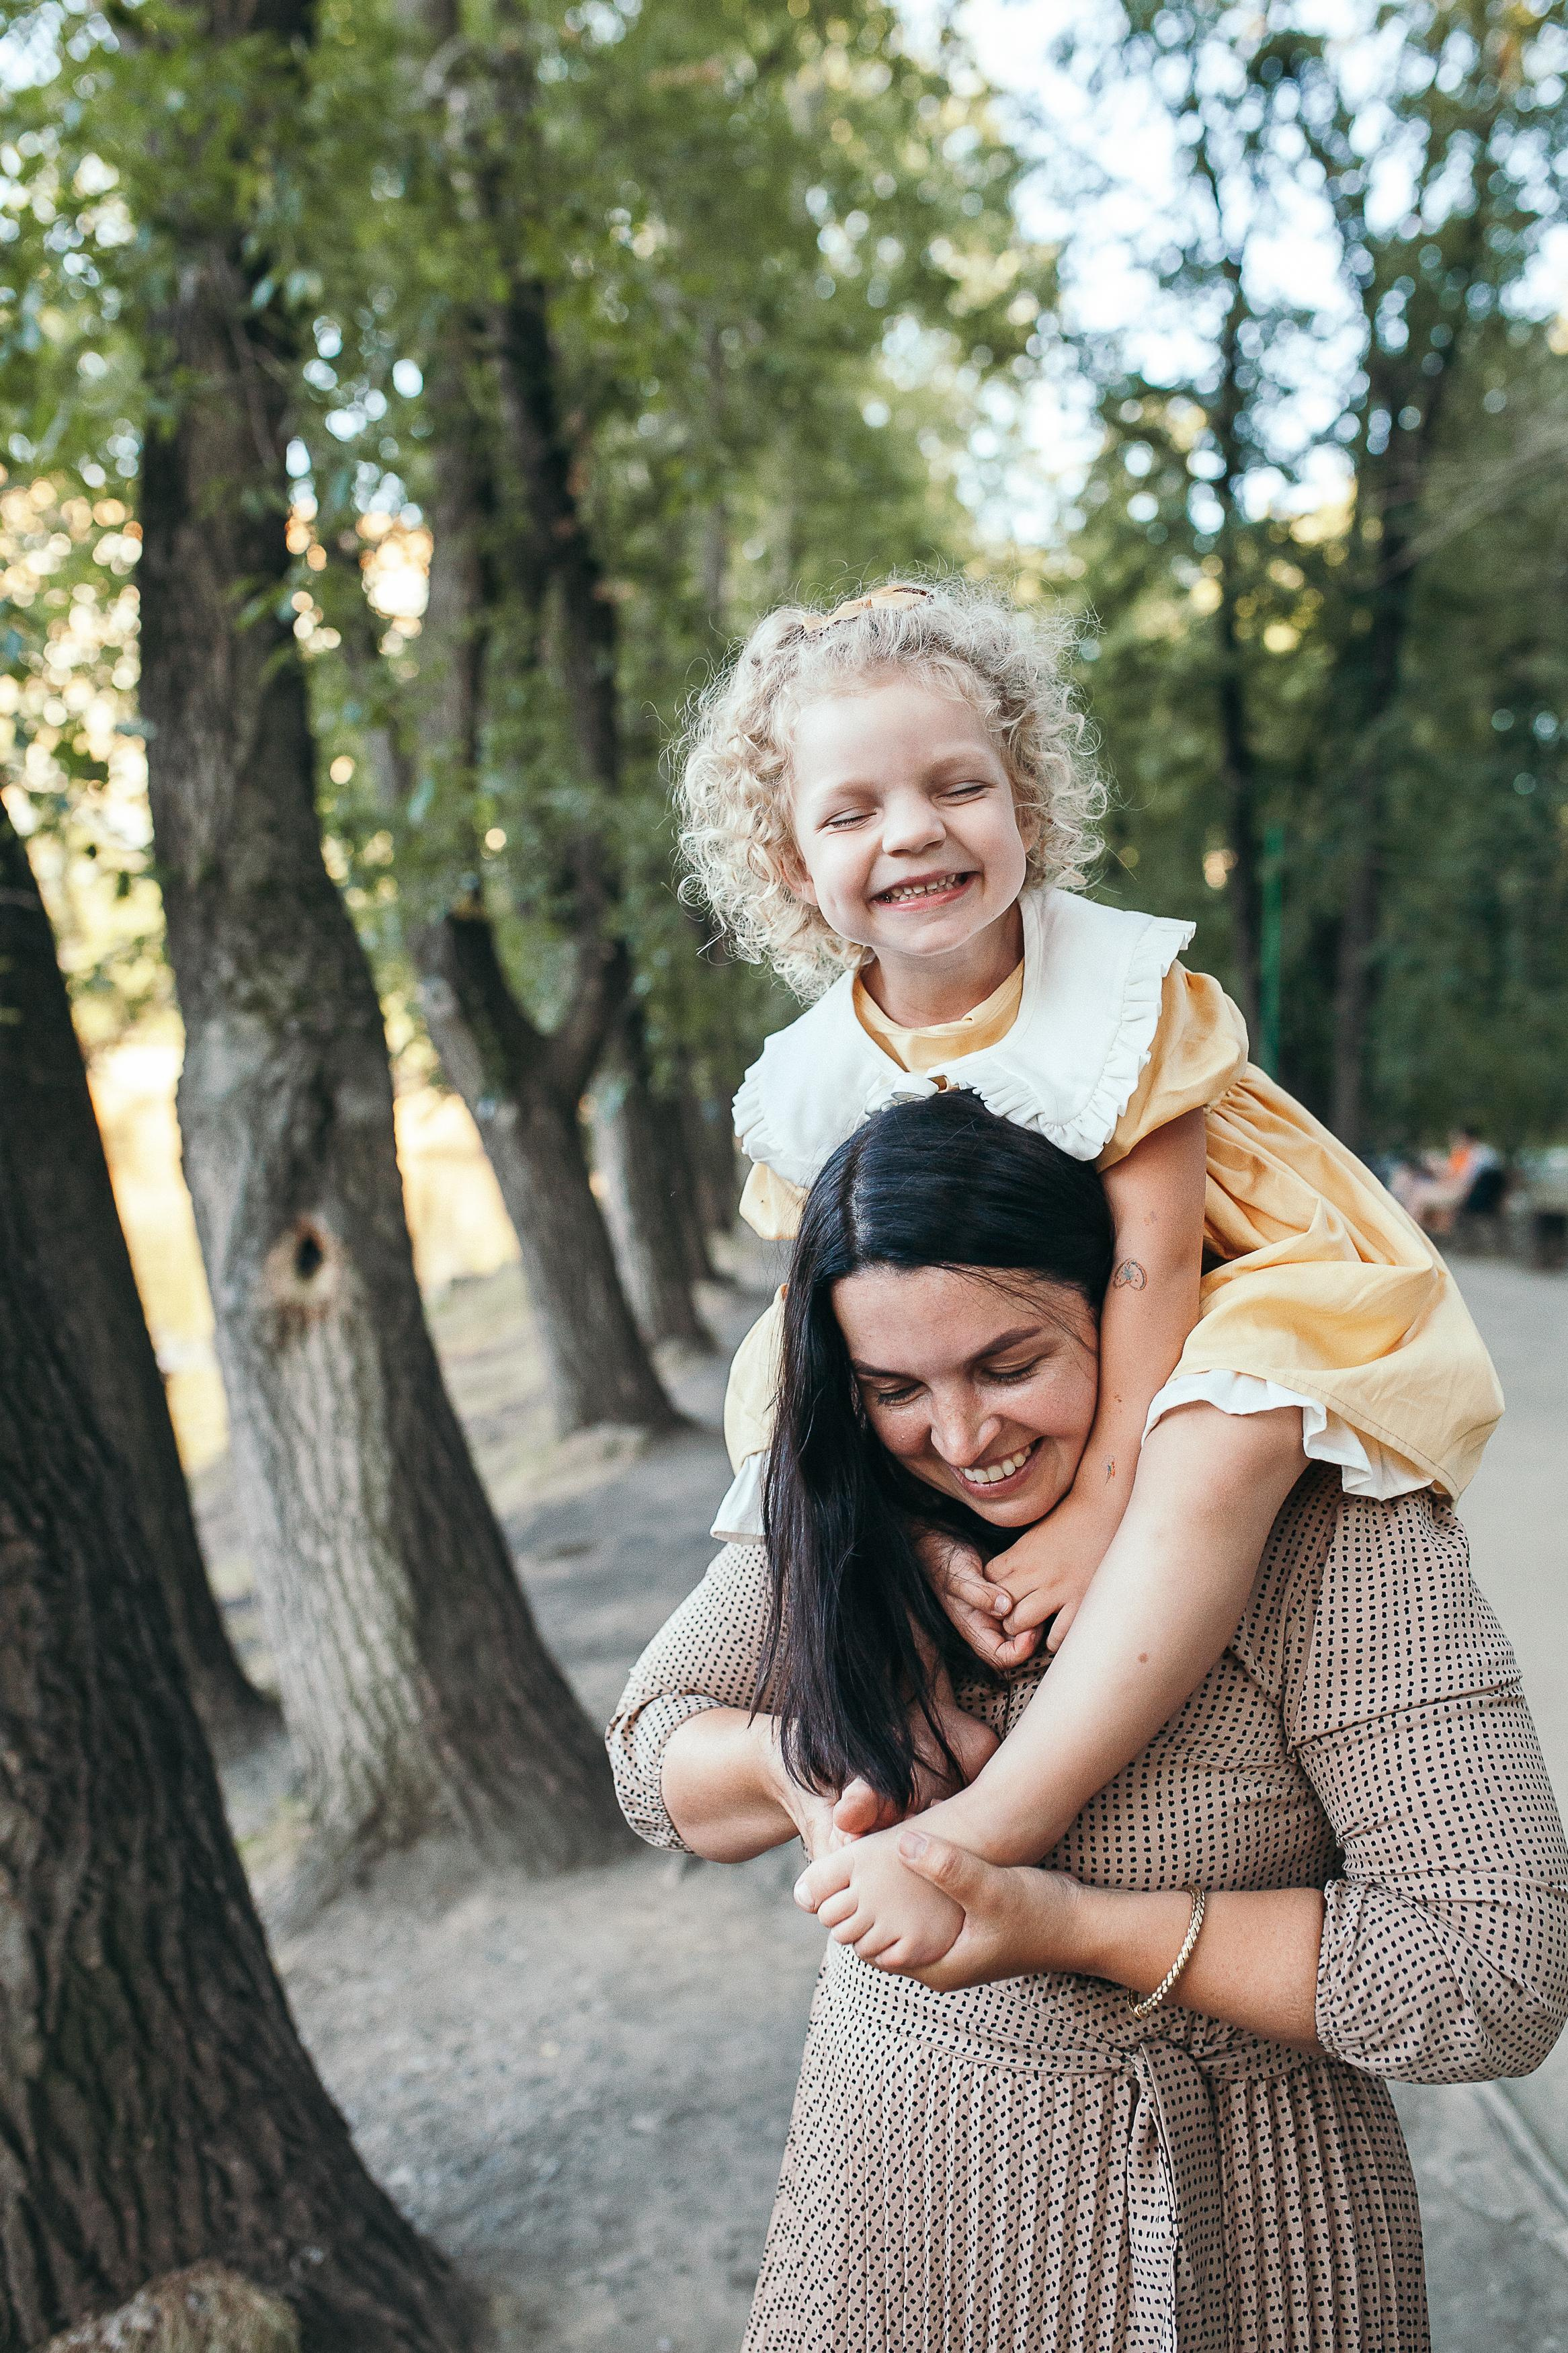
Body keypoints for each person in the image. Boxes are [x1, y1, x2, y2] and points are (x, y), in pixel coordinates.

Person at [608, 1094, 1568, 2350]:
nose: (962, 1439)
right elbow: (647, 1756)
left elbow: (1495, 1972)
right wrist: (806, 1767)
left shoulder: (1328, 1533)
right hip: (881, 2214)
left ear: (1125, 1311)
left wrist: (1078, 1929)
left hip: (1240, 2228)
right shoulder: (857, 1506)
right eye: (897, 1387)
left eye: (1011, 1366)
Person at [675, 577, 1504, 1952]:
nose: (915, 833)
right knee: (793, 1418)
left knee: (1225, 1430)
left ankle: (998, 1822)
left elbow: (1153, 1273)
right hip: (970, 1322)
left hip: (1214, 1280)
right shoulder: (807, 1080)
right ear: (788, 863)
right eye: (853, 810)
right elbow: (833, 1314)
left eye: (958, 786)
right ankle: (908, 1676)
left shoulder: (1117, 995)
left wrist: (1088, 1512)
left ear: (1027, 802)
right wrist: (928, 1532)